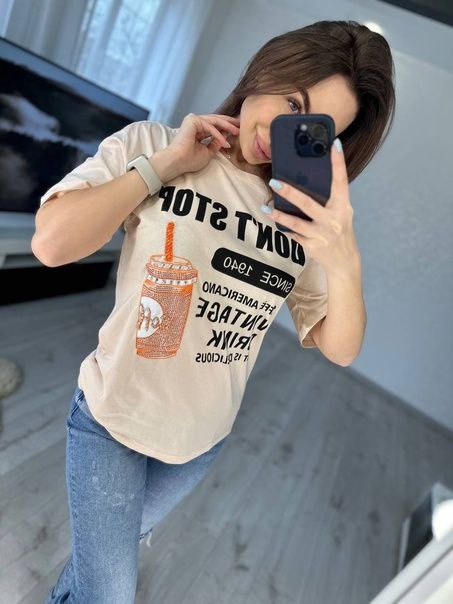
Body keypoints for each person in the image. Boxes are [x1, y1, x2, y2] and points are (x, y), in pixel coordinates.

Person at [33, 19, 395, 603]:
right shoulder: (154, 145)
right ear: (265, 69)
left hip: (199, 443)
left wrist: (344, 255)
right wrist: (164, 166)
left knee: (106, 557)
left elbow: (341, 347)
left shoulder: (303, 221)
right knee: (111, 590)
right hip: (114, 417)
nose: (283, 133)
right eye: (291, 103)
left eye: (313, 128)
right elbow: (51, 245)